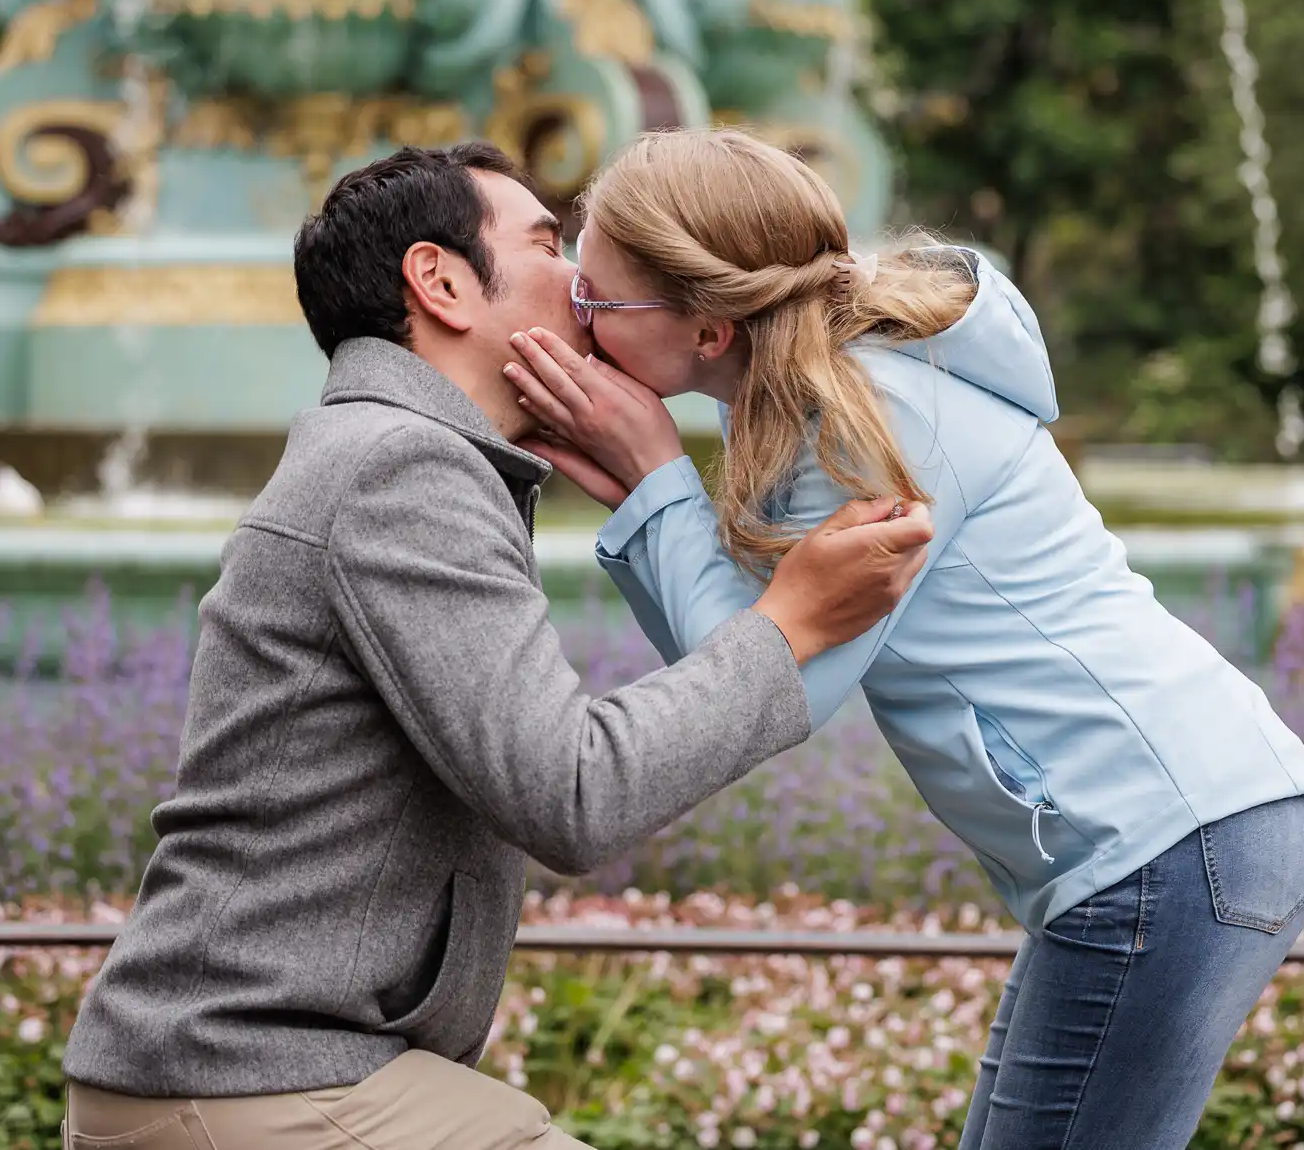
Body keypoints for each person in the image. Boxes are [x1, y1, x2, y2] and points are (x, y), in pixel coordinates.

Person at [58, 142, 935, 1150]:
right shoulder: (399, 470)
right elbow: (572, 791)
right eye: (548, 245)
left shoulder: (394, 455)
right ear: (439, 283)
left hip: (272, 1075)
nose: (588, 281)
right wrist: (791, 624)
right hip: (254, 1085)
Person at [502, 128, 1304, 1150]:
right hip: (1176, 838)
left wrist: (655, 478)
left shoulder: (863, 419)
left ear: (709, 327)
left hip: (1165, 849)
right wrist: (650, 488)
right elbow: (741, 670)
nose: (573, 323)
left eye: (596, 301)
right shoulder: (828, 393)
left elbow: (775, 688)